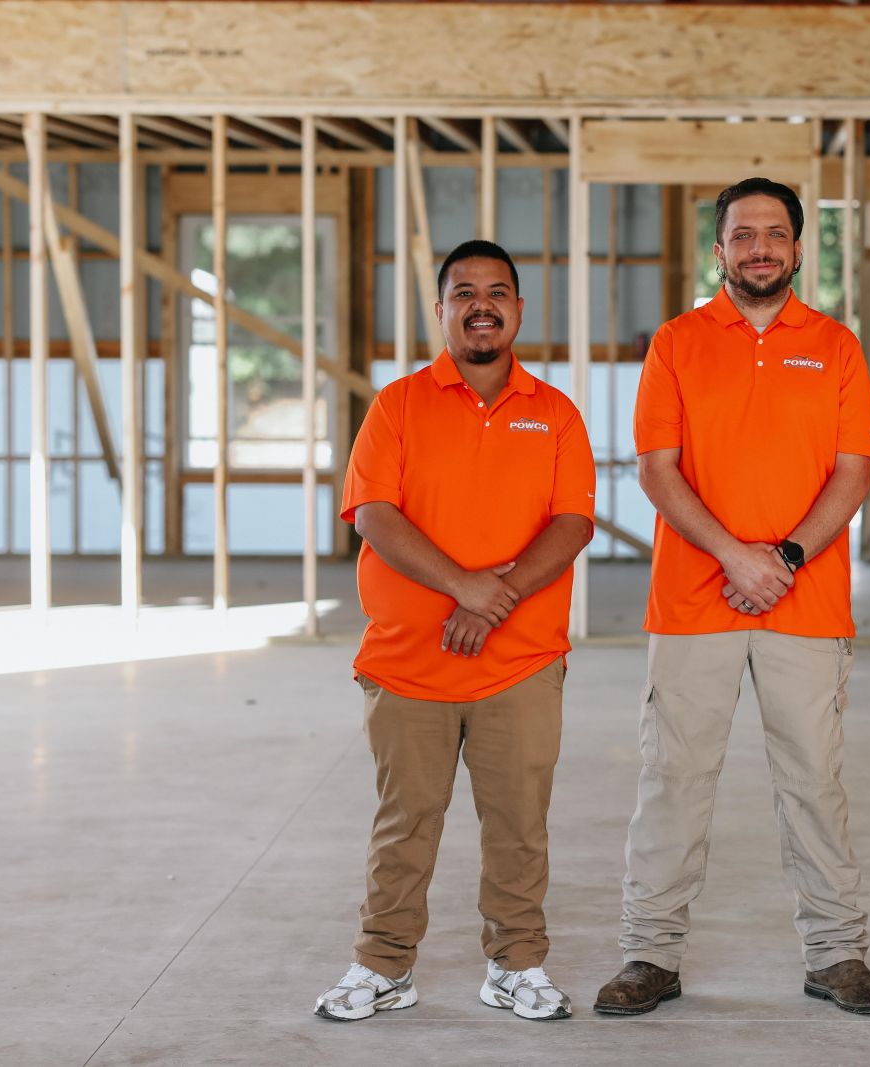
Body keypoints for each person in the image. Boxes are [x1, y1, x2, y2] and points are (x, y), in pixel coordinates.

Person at [593, 178, 870, 1016]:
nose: (759, 247)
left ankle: (837, 956)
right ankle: (649, 955)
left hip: (806, 601)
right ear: (719, 249)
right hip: (694, 602)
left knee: (814, 782)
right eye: (742, 234)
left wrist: (786, 557)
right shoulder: (677, 343)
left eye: (775, 233)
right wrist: (736, 555)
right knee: (673, 778)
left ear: (799, 249)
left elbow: (854, 471)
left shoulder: (835, 346)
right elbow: (657, 469)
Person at [315, 240, 595, 1023]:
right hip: (409, 663)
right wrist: (462, 586)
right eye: (464, 291)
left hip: (521, 663)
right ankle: (383, 964)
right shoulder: (398, 405)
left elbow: (572, 523)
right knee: (404, 825)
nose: (481, 303)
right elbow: (374, 513)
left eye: (497, 291)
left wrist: (490, 598)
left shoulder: (556, 413)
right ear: (440, 310)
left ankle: (517, 964)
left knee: (518, 824)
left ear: (518, 309)